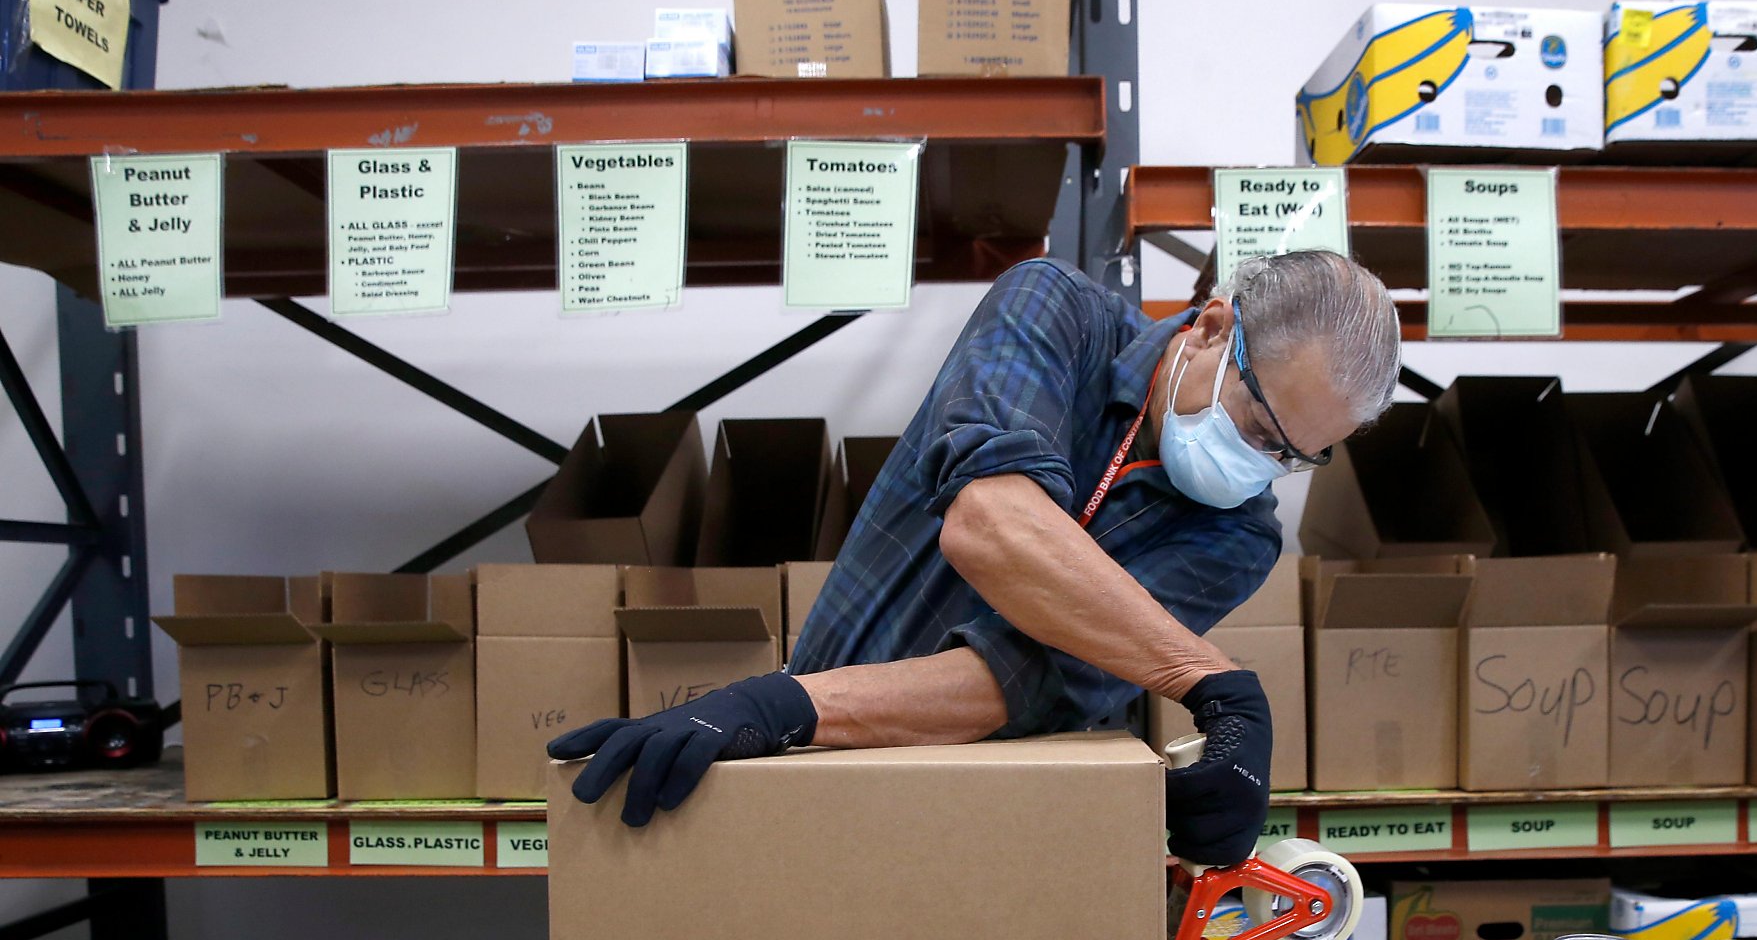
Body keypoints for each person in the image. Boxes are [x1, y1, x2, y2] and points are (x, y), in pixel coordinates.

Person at [550, 248, 1399, 864]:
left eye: (1296, 457)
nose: (1261, 466)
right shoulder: (1054, 312)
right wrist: (1208, 678)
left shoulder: (1240, 534)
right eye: (1259, 429)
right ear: (1214, 326)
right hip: (806, 767)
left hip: (991, 823)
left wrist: (783, 704)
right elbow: (991, 523)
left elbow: (1022, 678)